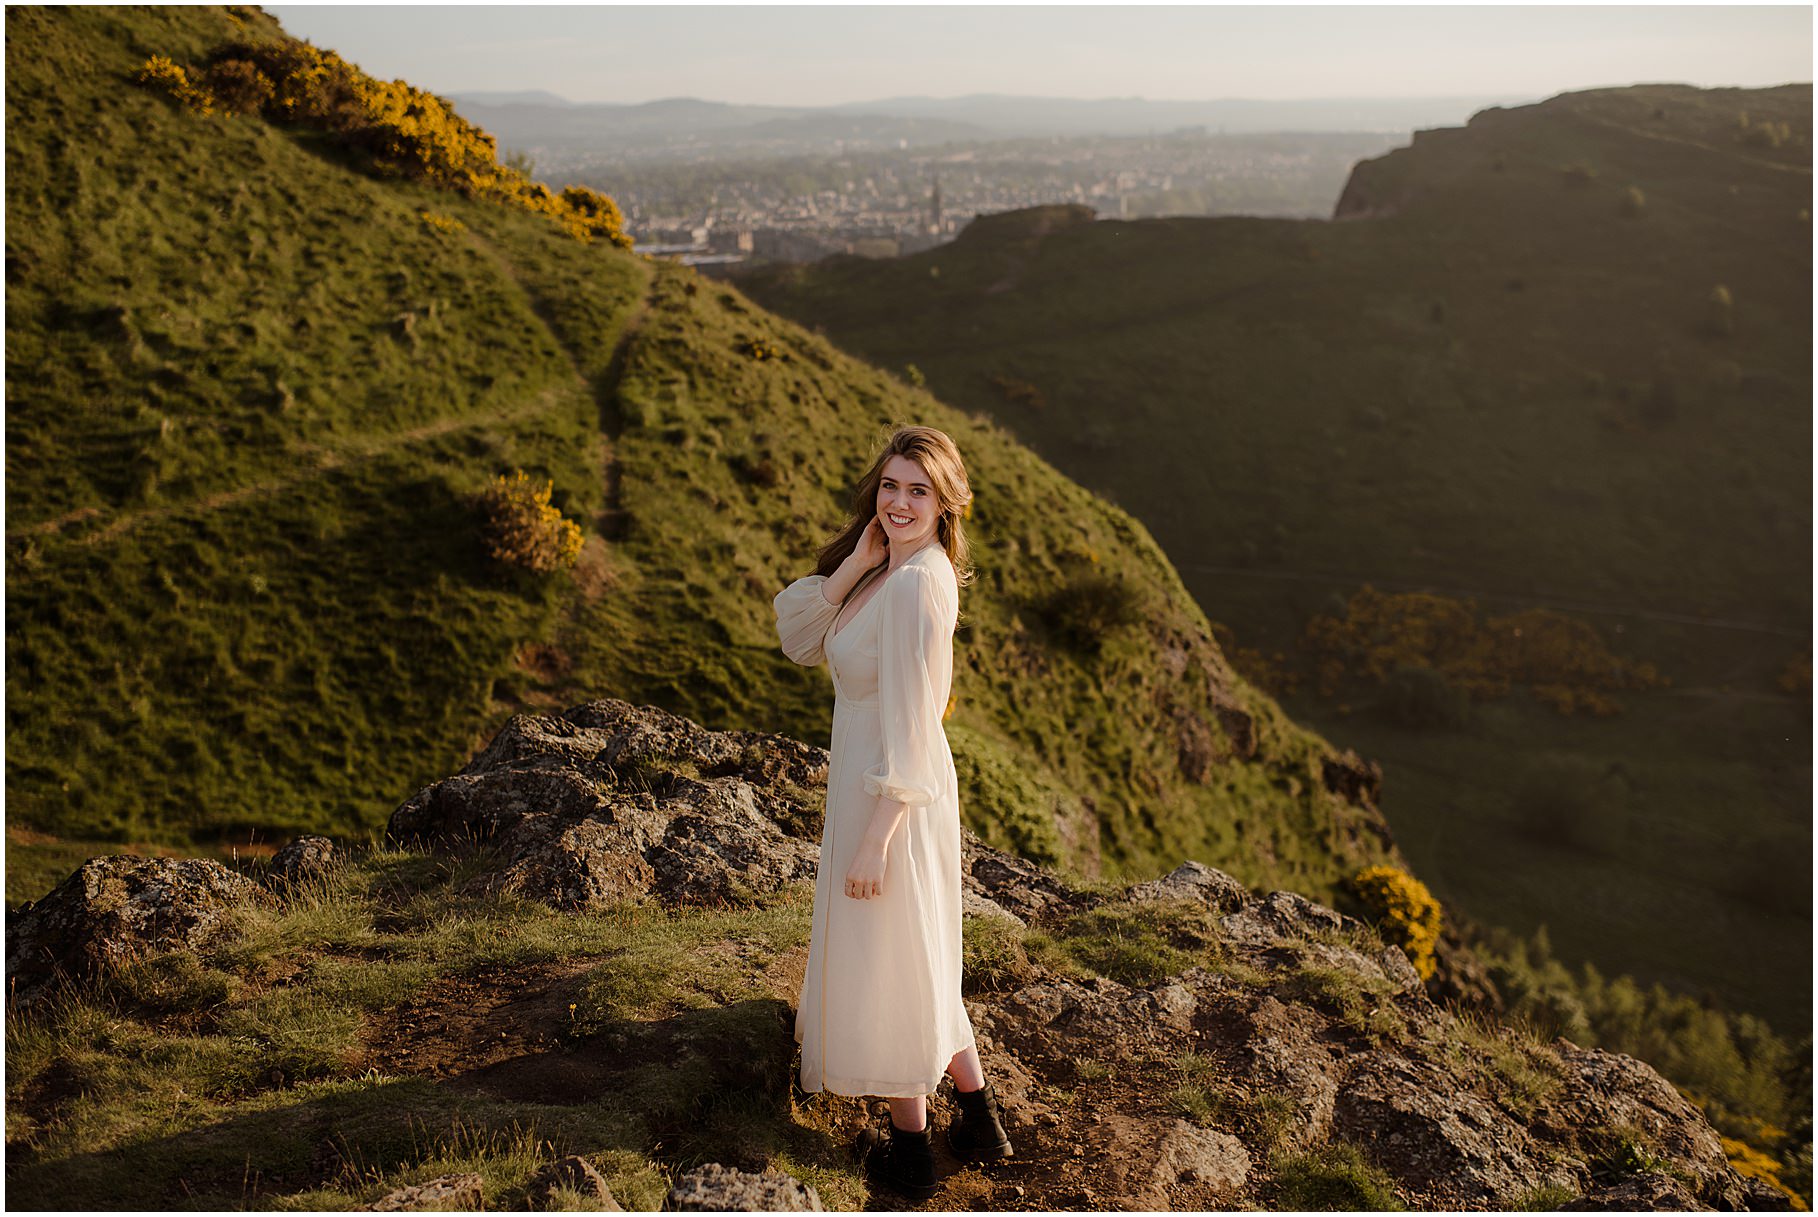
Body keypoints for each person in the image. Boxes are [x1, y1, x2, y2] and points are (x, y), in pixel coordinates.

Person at [772, 425, 1014, 1200]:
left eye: (918, 490)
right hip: (880, 785)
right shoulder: (895, 569)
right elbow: (799, 636)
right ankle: (979, 1118)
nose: (900, 502)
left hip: (891, 797)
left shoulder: (916, 585)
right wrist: (857, 562)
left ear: (946, 502)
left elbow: (915, 724)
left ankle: (911, 1157)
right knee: (919, 953)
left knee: (892, 963)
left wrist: (878, 838)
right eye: (890, 486)